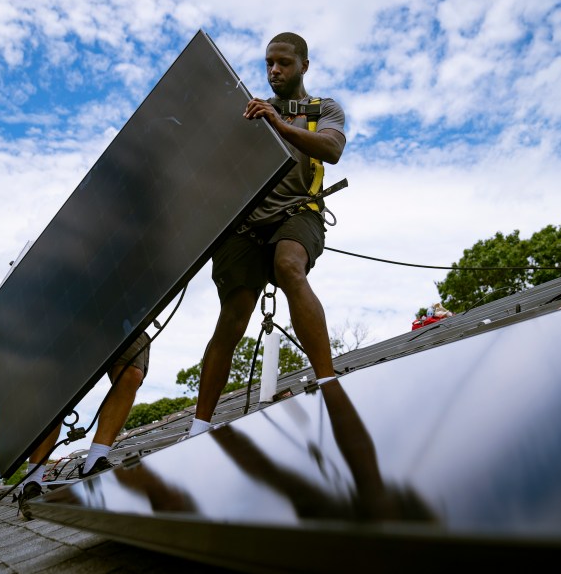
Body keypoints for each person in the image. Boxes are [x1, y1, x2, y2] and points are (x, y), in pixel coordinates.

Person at [189, 32, 347, 436]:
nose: (274, 71)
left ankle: (329, 387)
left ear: (304, 66)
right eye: (268, 64)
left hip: (298, 214)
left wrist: (277, 122)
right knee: (233, 313)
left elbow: (330, 149)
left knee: (289, 265)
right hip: (247, 225)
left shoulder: (322, 109)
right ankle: (198, 426)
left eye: (284, 63)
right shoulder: (249, 112)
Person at [17, 331, 151, 519]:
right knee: (54, 384)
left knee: (132, 372)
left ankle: (95, 461)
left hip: (122, 312)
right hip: (69, 318)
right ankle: (31, 483)